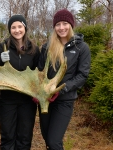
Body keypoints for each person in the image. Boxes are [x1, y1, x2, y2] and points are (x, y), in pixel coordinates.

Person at [38, 9, 91, 150]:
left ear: (71, 25)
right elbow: (40, 72)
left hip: (65, 100)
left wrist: (62, 89)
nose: (61, 28)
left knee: (54, 141)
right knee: (47, 139)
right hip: (46, 101)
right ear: (54, 27)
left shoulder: (81, 48)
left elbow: (82, 75)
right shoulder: (47, 47)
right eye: (58, 24)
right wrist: (38, 92)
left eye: (65, 23)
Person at [0, 14, 40, 150]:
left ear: (25, 28)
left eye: (20, 26)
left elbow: (38, 73)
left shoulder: (34, 49)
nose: (17, 30)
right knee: (8, 135)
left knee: (24, 136)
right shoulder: (3, 46)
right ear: (10, 30)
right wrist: (0, 61)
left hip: (27, 100)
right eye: (13, 27)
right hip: (8, 99)